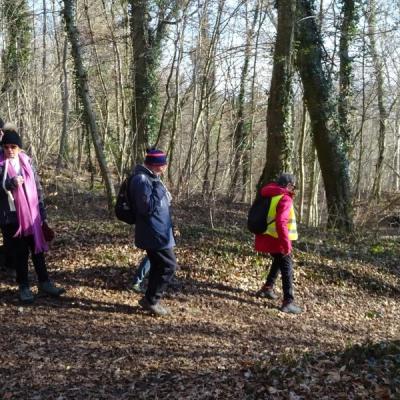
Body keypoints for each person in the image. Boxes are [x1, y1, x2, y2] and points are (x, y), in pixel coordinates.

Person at [0, 125, 65, 303]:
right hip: (11, 218)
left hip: (32, 215)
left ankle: (45, 283)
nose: (9, 150)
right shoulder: (0, 164)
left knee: (37, 250)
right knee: (20, 253)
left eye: (13, 147)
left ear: (19, 148)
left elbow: (37, 188)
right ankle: (24, 287)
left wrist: (42, 216)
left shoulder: (27, 162)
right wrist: (10, 183)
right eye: (6, 147)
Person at [129, 148, 177, 316]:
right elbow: (146, 208)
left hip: (160, 232)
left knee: (159, 265)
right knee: (168, 265)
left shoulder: (151, 178)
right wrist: (159, 189)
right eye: (164, 163)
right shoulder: (142, 179)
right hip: (154, 233)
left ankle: (150, 299)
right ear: (157, 165)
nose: (166, 166)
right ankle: (151, 300)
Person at [254, 173, 302, 314]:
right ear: (288, 185)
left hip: (268, 236)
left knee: (278, 261)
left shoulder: (270, 194)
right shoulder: (285, 198)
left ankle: (267, 288)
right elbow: (281, 222)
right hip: (278, 239)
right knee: (287, 267)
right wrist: (286, 244)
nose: (294, 189)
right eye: (293, 186)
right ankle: (288, 301)